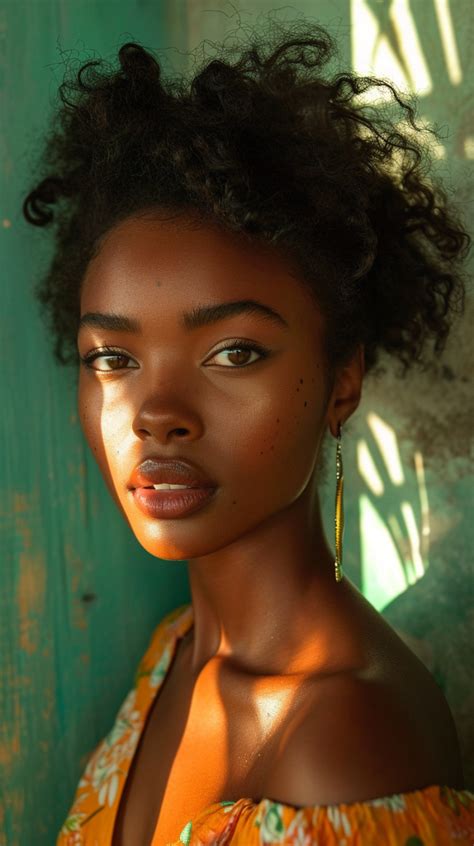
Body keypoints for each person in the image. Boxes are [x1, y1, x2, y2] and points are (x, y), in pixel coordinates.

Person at [23, 19, 473, 846]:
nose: (158, 413)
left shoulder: (344, 747)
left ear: (343, 380)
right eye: (114, 356)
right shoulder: (179, 649)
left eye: (234, 351)